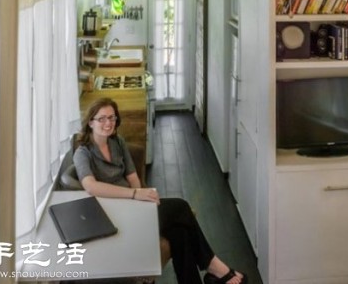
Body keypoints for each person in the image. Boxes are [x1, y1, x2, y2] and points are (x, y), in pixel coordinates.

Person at [73, 97, 247, 284]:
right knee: (181, 207)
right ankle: (215, 267)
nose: (108, 123)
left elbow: (132, 176)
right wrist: (134, 194)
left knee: (180, 233)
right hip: (112, 214)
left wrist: (140, 200)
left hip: (133, 208)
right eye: (102, 119)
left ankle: (211, 272)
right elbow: (90, 186)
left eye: (112, 118)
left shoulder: (118, 142)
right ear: (90, 122)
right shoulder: (83, 152)